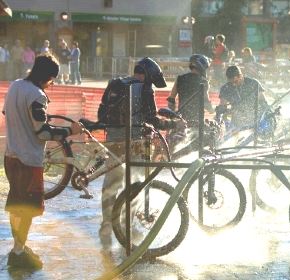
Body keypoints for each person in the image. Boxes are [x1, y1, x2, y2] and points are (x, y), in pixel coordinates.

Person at [2, 54, 83, 270]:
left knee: (16, 205)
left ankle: (18, 247)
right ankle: (18, 254)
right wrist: (70, 131)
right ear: (47, 76)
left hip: (10, 156)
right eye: (52, 79)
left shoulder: (15, 86)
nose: (52, 83)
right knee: (27, 208)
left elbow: (7, 113)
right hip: (29, 161)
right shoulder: (37, 95)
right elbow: (43, 133)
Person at [97, 57, 185, 252]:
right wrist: (173, 124)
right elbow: (152, 119)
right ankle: (126, 227)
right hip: (136, 143)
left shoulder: (115, 83)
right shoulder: (145, 89)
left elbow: (101, 113)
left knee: (112, 182)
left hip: (113, 140)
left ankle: (105, 225)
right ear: (147, 75)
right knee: (136, 183)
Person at [217, 65, 269, 132]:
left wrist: (265, 115)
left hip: (256, 117)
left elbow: (263, 101)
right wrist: (222, 119)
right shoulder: (226, 88)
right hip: (238, 119)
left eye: (236, 81)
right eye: (231, 82)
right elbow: (222, 106)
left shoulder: (253, 83)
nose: (233, 85)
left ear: (241, 76)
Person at [168, 54, 214, 128]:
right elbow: (206, 100)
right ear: (202, 67)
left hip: (182, 118)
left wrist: (173, 115)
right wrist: (212, 110)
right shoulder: (203, 82)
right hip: (196, 119)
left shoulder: (180, 79)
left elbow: (171, 99)